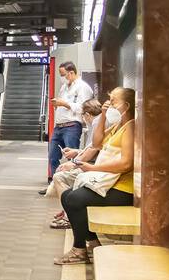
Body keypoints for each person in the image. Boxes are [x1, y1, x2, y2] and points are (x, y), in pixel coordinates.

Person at [54, 87, 136, 265]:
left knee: (74, 199)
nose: (109, 104)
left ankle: (80, 250)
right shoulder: (117, 126)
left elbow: (126, 164)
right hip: (110, 184)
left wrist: (92, 168)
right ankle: (90, 243)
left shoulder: (131, 127)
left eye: (113, 101)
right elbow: (97, 143)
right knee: (70, 196)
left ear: (127, 105)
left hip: (123, 189)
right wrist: (104, 115)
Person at [46, 98, 105, 225]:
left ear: (87, 115)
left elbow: (93, 149)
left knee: (59, 177)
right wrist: (76, 152)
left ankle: (69, 216)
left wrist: (73, 163)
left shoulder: (96, 124)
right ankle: (67, 211)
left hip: (96, 167)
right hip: (97, 163)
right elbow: (92, 147)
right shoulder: (99, 122)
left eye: (82, 115)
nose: (83, 118)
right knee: (63, 172)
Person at [40, 61, 93, 194]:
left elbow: (83, 107)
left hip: (72, 126)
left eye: (63, 75)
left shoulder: (83, 87)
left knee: (72, 158)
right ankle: (54, 185)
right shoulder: (64, 87)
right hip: (59, 126)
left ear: (71, 72)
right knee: (53, 156)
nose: (62, 78)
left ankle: (72, 186)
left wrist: (64, 103)